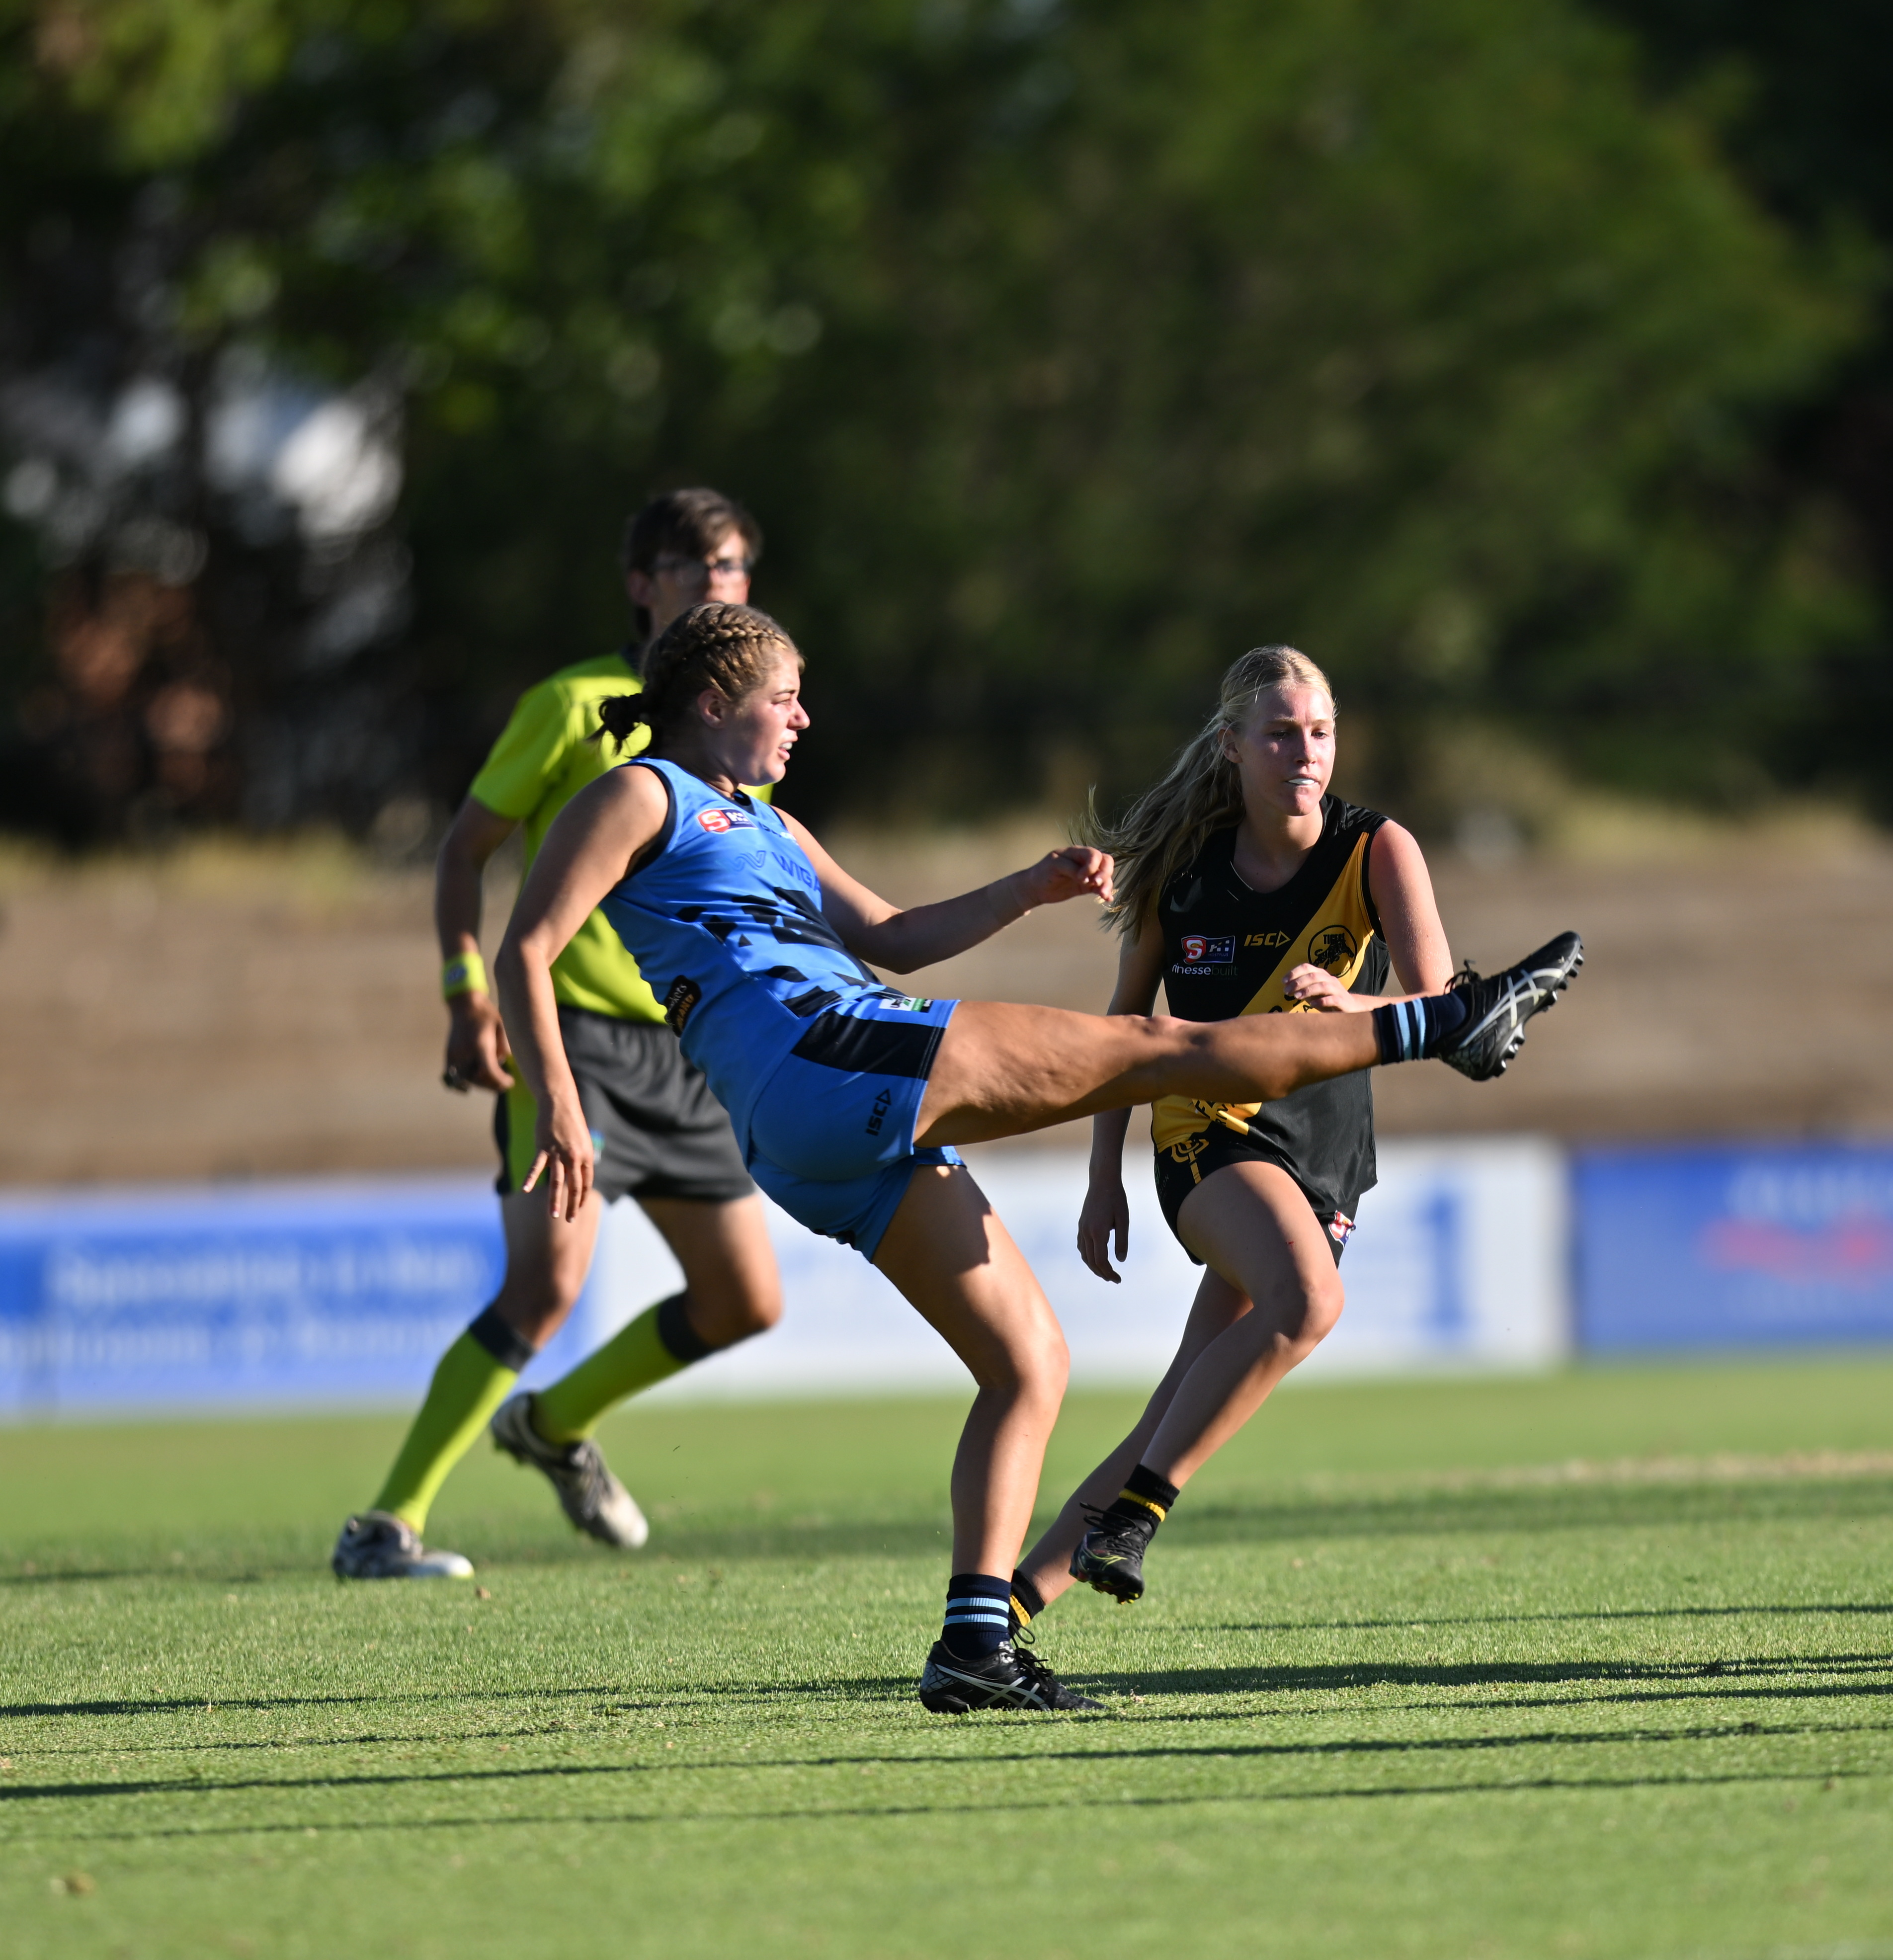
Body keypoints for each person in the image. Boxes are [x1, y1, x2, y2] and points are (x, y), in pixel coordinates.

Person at [495, 601, 1581, 1711]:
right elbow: (525, 947)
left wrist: (1025, 886)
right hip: (824, 1055)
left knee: (1030, 1363)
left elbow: (886, 935)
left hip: (810, 1132)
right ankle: (1440, 1025)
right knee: (1159, 1051)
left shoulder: (764, 818)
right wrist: (563, 1104)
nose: (803, 718)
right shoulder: (642, 792)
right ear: (714, 705)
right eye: (785, 699)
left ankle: (976, 1644)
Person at [332, 490, 789, 1582]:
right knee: (544, 1289)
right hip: (568, 1036)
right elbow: (462, 850)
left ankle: (551, 1425)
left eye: (733, 566)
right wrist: (464, 991)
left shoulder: (739, 725)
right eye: (694, 564)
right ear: (642, 583)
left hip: (687, 1048)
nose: (718, 583)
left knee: (746, 1303)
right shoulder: (573, 703)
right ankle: (384, 1523)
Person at [1007, 645, 1468, 1632]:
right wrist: (1103, 1179)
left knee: (1173, 1403)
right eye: (1279, 733)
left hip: (1326, 1156)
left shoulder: (1375, 849)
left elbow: (1440, 1006)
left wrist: (1355, 1003)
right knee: (1307, 1300)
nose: (1304, 751)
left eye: (1319, 732)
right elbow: (1120, 1036)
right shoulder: (1184, 874)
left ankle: (997, 1620)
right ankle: (1132, 1518)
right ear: (1231, 747)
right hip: (1204, 1136)